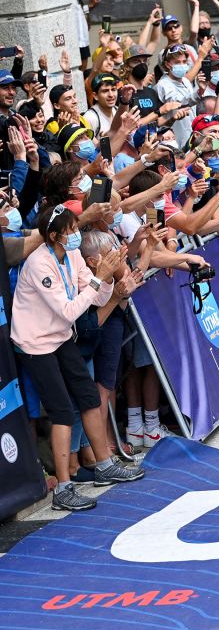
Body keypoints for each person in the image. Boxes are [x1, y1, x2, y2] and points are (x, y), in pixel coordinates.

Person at [11, 205, 145, 512]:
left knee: (88, 398)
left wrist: (109, 277)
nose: (75, 236)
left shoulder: (71, 256)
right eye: (70, 231)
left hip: (59, 336)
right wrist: (100, 278)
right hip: (36, 344)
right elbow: (70, 311)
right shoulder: (39, 264)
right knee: (60, 410)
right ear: (55, 236)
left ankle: (105, 465)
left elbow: (96, 297)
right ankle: (64, 489)